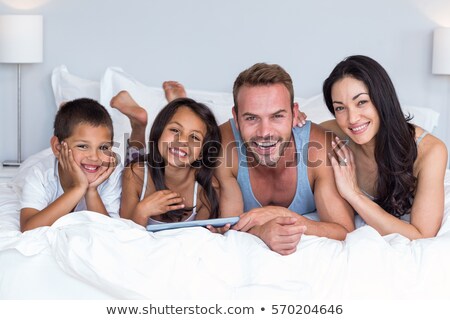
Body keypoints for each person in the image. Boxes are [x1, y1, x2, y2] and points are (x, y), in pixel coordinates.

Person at [216, 63, 355, 255]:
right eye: (251, 118)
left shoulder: (319, 148)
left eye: (277, 116)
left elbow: (344, 230)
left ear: (294, 113)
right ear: (236, 117)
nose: (265, 133)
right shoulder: (222, 145)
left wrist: (283, 215)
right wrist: (261, 231)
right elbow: (227, 228)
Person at [319, 55, 447, 239]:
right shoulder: (335, 133)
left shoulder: (431, 151)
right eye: (340, 108)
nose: (352, 118)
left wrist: (354, 195)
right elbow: (292, 131)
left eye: (361, 102)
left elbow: (421, 235)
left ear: (382, 99)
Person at [113, 93, 222, 226]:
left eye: (195, 137)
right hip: (144, 168)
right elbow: (125, 233)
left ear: (202, 153)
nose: (182, 140)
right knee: (133, 161)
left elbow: (198, 240)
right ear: (159, 133)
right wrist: (142, 211)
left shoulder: (206, 190)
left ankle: (178, 103)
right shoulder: (135, 174)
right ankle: (138, 126)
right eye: (175, 130)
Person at [20, 98, 122, 232]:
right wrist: (78, 188)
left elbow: (110, 231)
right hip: (44, 161)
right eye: (83, 146)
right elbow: (28, 228)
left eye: (103, 147)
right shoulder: (40, 174)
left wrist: (91, 191)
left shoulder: (110, 174)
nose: (94, 157)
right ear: (57, 148)